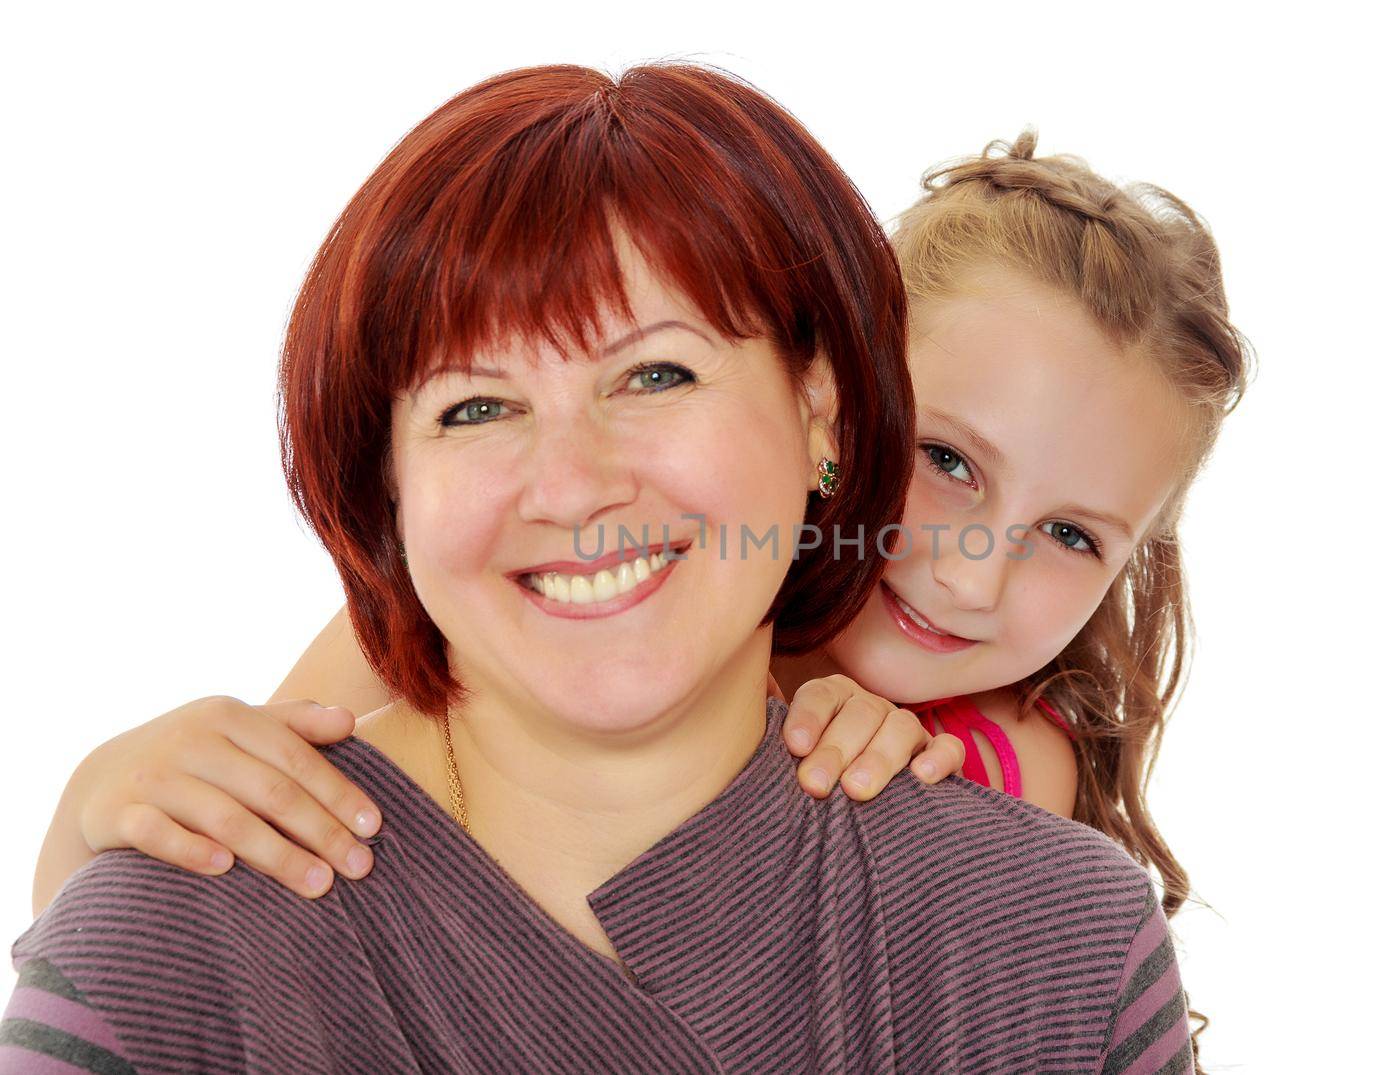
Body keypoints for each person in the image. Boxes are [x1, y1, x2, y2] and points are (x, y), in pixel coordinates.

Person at [5, 63, 1195, 1073]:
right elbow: (256, 810)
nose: (968, 573)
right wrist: (101, 825)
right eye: (475, 406)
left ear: (824, 412)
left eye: (657, 375)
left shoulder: (1048, 896)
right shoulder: (208, 921)